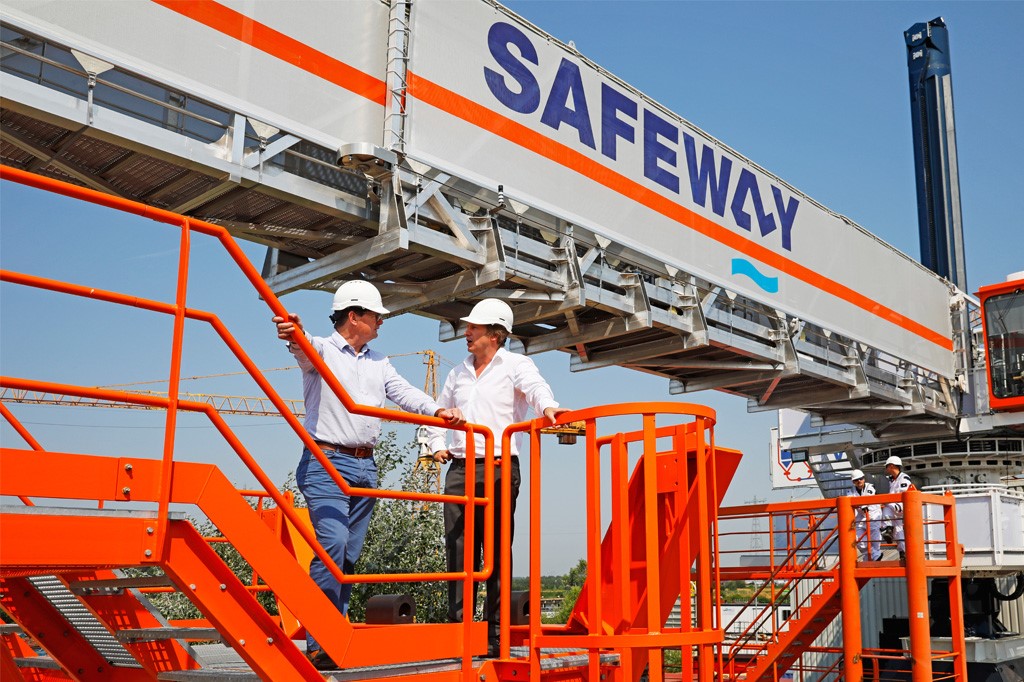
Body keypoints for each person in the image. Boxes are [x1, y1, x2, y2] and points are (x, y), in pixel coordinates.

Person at [274, 280, 464, 670]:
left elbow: (403, 391)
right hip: (326, 461)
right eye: (377, 315)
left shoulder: (380, 361)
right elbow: (302, 346)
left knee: (349, 554)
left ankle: (333, 628)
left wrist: (436, 411)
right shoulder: (323, 349)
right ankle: (320, 639)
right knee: (332, 546)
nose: (381, 322)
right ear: (354, 316)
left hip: (365, 465)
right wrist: (293, 332)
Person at [424, 299, 569, 657]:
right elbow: (439, 410)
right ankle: (461, 634)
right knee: (458, 551)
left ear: (495, 333)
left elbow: (536, 389)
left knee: (497, 552)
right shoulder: (457, 372)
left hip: (500, 467)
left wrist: (549, 409)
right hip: (459, 469)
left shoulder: (516, 365)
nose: (466, 333)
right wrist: (436, 443)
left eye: (473, 328)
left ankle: (495, 635)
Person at [881, 455, 915, 559]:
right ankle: (903, 552)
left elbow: (905, 494)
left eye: (887, 466)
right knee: (899, 532)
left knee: (886, 506)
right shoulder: (892, 480)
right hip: (895, 508)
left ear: (891, 466)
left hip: (900, 506)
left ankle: (887, 529)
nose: (886, 469)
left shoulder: (904, 478)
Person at [849, 469, 882, 561]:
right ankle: (875, 556)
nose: (859, 481)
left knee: (875, 540)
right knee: (858, 539)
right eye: (856, 480)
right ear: (853, 481)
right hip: (860, 517)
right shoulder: (851, 491)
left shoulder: (870, 487)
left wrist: (861, 504)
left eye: (860, 479)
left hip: (873, 516)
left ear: (864, 478)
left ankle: (871, 558)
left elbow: (868, 498)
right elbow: (848, 501)